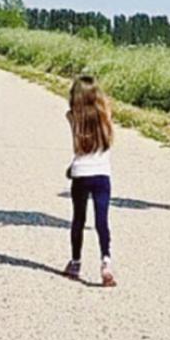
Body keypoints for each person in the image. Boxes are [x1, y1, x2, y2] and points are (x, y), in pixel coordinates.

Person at [64, 75, 116, 287]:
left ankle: (76, 262)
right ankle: (106, 260)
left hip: (80, 172)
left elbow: (79, 146)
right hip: (102, 173)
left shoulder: (72, 116)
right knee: (101, 221)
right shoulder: (105, 115)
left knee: (79, 219)